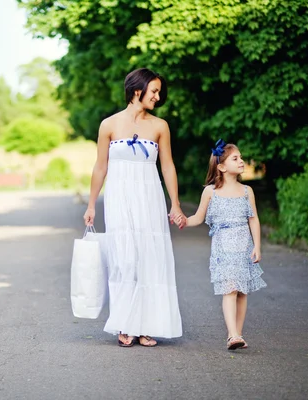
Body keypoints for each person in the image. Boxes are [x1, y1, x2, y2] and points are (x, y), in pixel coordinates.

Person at [83, 68, 185, 347]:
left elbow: (167, 166)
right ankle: (125, 323)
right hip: (119, 198)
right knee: (124, 259)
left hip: (149, 198)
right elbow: (100, 166)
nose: (158, 96)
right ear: (137, 91)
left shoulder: (160, 126)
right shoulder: (109, 125)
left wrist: (175, 203)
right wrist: (92, 204)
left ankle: (147, 325)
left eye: (159, 91)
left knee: (149, 258)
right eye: (154, 90)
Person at [178, 139, 267, 350]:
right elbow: (198, 217)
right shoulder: (211, 192)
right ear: (222, 166)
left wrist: (257, 246)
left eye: (241, 157)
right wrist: (184, 220)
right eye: (236, 158)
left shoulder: (247, 191)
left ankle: (237, 334)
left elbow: (253, 219)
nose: (242, 161)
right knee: (230, 289)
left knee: (242, 291)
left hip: (243, 246)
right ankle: (232, 335)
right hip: (223, 247)